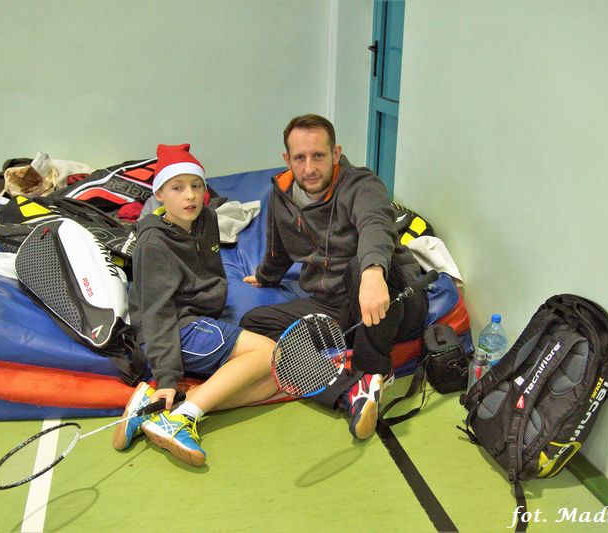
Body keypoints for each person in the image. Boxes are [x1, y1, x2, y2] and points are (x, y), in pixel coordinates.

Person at [240, 114, 428, 440]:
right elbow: (278, 250)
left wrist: (373, 272)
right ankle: (348, 390)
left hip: (390, 298)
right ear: (287, 159)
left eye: (318, 156)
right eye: (300, 158)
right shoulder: (282, 196)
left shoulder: (362, 185)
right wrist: (265, 277)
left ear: (336, 153)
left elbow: (375, 225)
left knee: (360, 266)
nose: (309, 168)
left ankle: (374, 370)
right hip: (333, 305)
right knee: (254, 325)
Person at [112, 143, 278, 467]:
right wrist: (167, 378)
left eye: (196, 186)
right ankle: (181, 418)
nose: (189, 196)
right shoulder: (154, 243)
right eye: (177, 188)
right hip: (176, 327)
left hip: (201, 317)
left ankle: (157, 412)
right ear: (159, 194)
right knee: (268, 353)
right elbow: (157, 313)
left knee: (269, 383)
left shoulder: (208, 219)